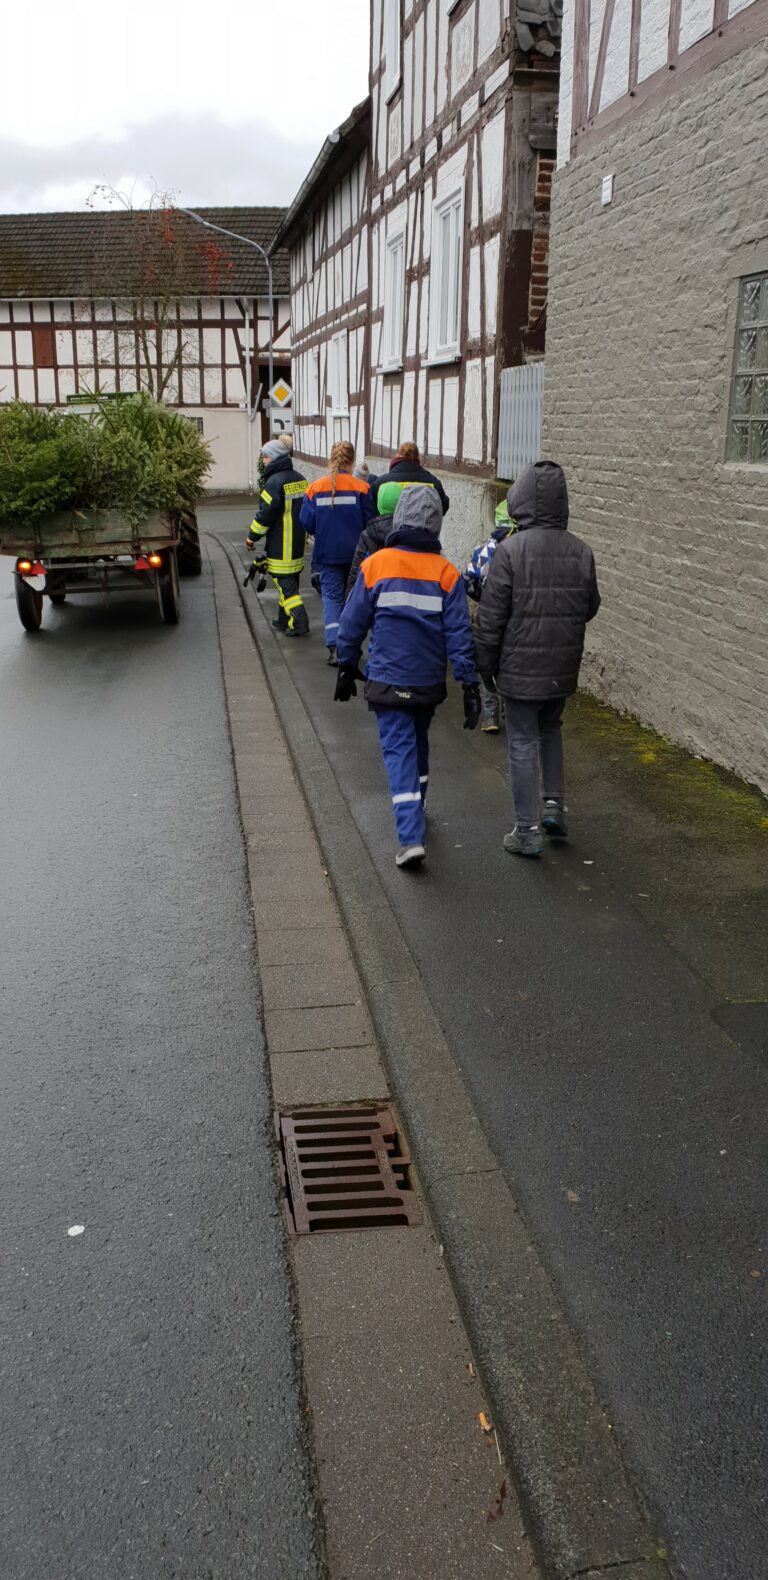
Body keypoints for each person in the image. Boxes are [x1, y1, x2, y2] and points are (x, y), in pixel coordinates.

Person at [335, 485, 481, 868]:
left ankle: (410, 837)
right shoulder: (447, 573)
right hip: (427, 682)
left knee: (398, 752)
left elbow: (351, 623)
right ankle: (420, 805)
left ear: (399, 518)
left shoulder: (376, 565)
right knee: (418, 742)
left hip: (388, 678)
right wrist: (468, 683)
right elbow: (459, 634)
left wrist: (347, 664)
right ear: (436, 524)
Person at [475, 461, 600, 857]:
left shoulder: (510, 552)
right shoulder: (581, 552)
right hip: (561, 667)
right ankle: (554, 807)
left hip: (519, 669)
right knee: (551, 729)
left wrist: (485, 666)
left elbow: (491, 618)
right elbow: (590, 607)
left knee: (522, 741)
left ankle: (527, 831)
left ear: (522, 501)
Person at [299, 440, 373, 664]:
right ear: (352, 462)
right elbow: (370, 522)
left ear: (332, 459)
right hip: (356, 555)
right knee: (353, 600)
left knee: (331, 598)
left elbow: (306, 522)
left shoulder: (315, 488)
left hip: (327, 553)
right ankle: (350, 646)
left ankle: (334, 648)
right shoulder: (362, 488)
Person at [462, 496, 516, 733]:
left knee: (487, 661)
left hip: (488, 614)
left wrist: (481, 597)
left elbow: (467, 578)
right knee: (508, 660)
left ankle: (491, 715)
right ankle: (510, 707)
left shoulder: (485, 550)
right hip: (513, 616)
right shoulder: (518, 549)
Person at [246, 439, 309, 636]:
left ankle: (299, 621)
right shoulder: (300, 479)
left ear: (274, 458)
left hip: (281, 545)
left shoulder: (273, 483)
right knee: (290, 583)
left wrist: (252, 537)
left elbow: (265, 516)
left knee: (286, 587)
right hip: (297, 545)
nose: (263, 461)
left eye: (265, 457)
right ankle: (284, 620)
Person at [344, 478, 400, 600]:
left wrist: (349, 600)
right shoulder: (407, 534)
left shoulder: (367, 534)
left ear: (379, 505)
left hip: (371, 596)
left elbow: (356, 572)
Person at [370, 441, 449, 517]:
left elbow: (372, 508)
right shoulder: (433, 483)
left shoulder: (381, 483)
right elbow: (443, 506)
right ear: (417, 457)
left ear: (398, 455)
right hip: (423, 525)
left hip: (390, 526)